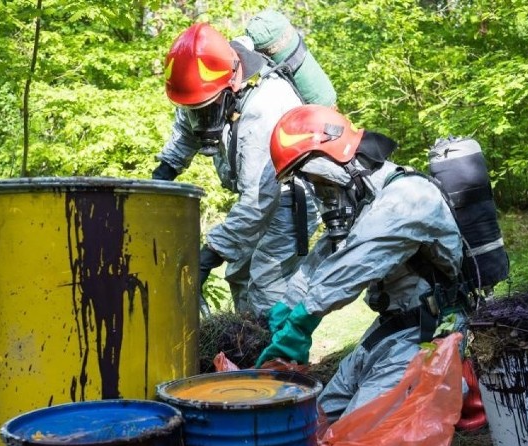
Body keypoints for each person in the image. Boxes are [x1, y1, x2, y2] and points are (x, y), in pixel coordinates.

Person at [256, 104, 465, 422]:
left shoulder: (407, 198)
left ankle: (454, 383)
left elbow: (354, 264)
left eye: (322, 183)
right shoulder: (365, 201)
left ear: (342, 162)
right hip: (393, 326)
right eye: (314, 186)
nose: (323, 195)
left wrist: (302, 321)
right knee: (320, 418)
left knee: (356, 434)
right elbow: (321, 260)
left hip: (432, 332)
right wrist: (285, 308)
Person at [153, 22, 320, 317]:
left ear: (231, 84)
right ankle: (246, 355)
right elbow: (187, 126)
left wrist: (208, 256)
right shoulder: (204, 86)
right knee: (239, 275)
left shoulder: (264, 106)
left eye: (205, 106)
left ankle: (278, 361)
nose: (200, 115)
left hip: (288, 198)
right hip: (255, 196)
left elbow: (259, 201)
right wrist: (164, 172)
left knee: (267, 289)